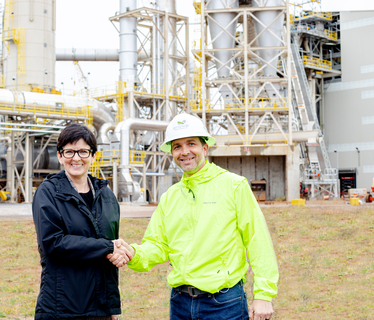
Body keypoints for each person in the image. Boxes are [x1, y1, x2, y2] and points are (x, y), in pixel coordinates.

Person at [113, 113, 279, 320]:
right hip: (181, 304)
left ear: (205, 148)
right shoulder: (170, 197)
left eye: (191, 144)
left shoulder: (233, 186)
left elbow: (257, 240)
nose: (185, 152)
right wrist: (134, 253)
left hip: (224, 304)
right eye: (177, 147)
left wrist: (264, 294)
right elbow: (158, 245)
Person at [32, 124, 132, 320]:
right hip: (62, 307)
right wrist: (108, 247)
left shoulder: (107, 195)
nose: (76, 158)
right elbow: (53, 243)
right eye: (69, 151)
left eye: (83, 151)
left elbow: (109, 252)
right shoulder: (48, 192)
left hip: (100, 309)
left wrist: (111, 308)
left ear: (93, 156)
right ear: (60, 156)